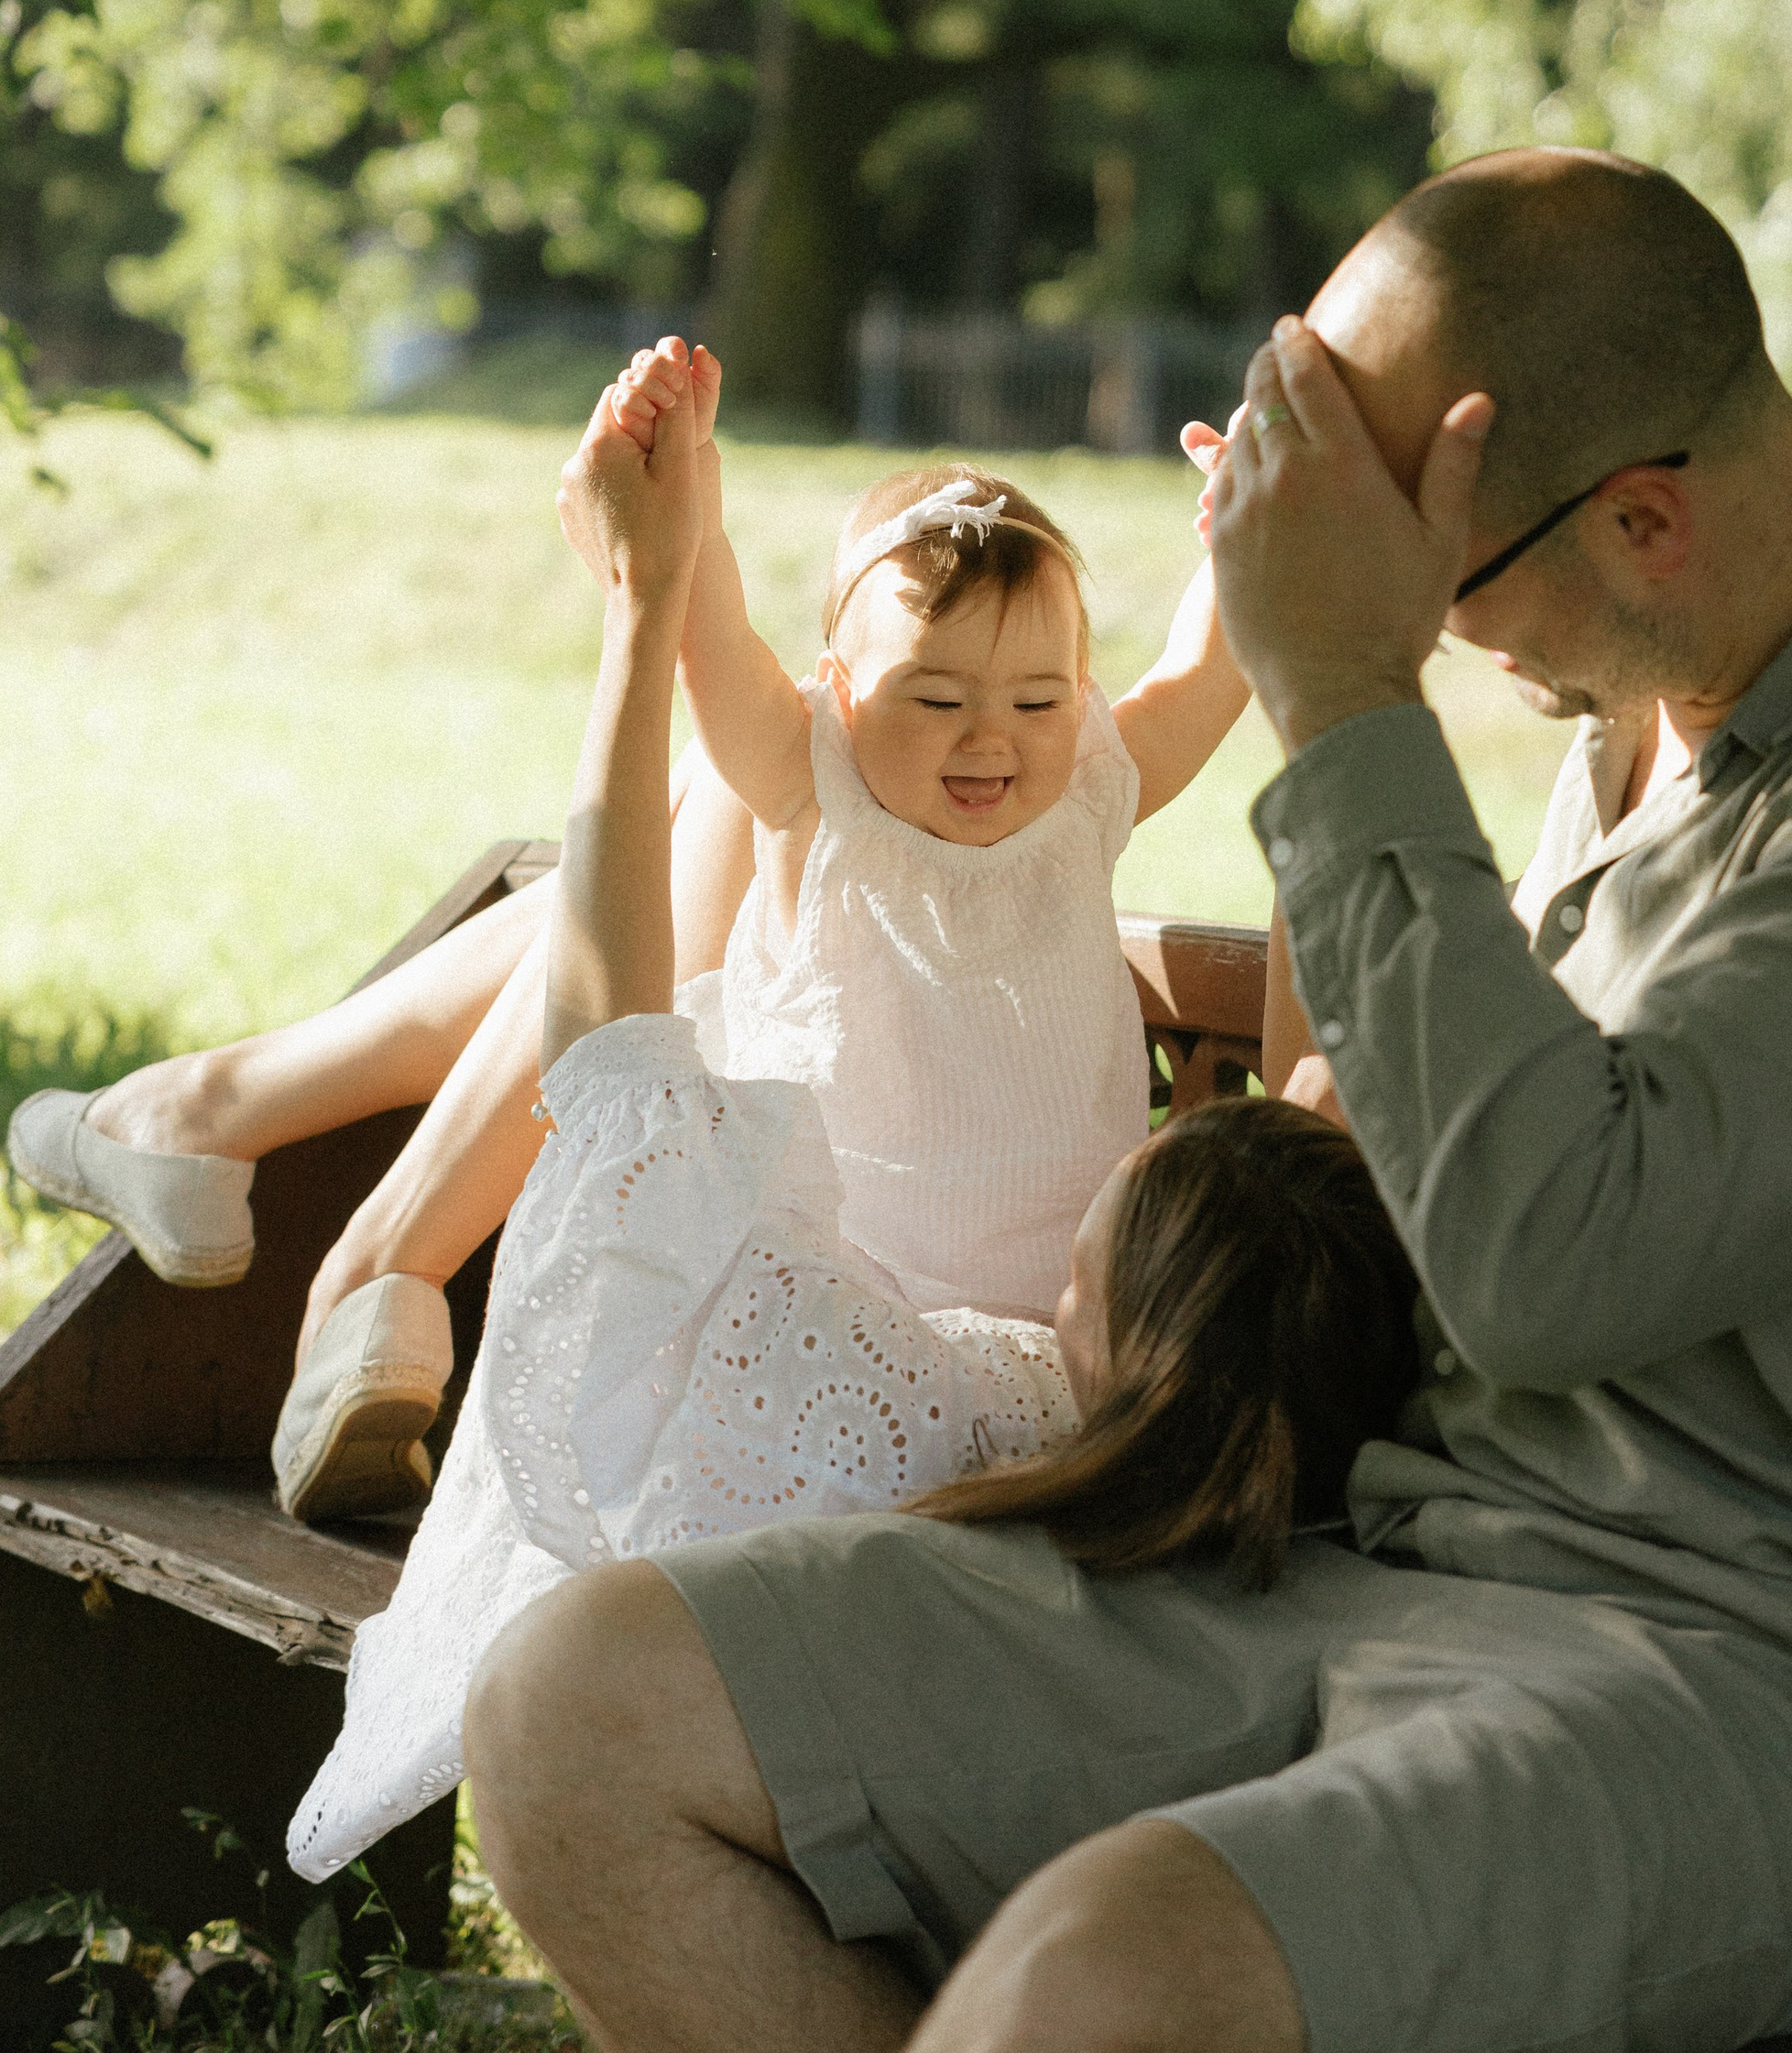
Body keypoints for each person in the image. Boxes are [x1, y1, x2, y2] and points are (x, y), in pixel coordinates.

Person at [462, 146, 1792, 2053]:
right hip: (1404, 1564)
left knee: (1118, 1960)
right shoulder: (1696, 658)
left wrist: (1340, 695)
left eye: (1430, 581)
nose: (1415, 627)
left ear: (1640, 518)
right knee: (583, 1714)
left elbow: (1549, 1268)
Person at [8, 347, 1251, 1525]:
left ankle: (305, 1213)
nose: (993, 740)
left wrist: (1242, 530)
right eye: (937, 698)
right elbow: (711, 647)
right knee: (705, 811)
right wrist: (687, 496)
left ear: (1080, 698)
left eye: (1040, 700)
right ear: (836, 692)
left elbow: (1205, 671)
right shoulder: (817, 784)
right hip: (869, 1312)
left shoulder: (1088, 784)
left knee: (678, 849)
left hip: (1006, 1342)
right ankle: (250, 1162)